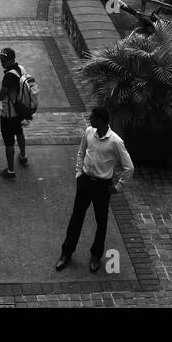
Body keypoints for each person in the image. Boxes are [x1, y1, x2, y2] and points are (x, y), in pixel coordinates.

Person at [55, 106, 134, 273]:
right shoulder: (89, 132)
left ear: (101, 120)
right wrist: (78, 172)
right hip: (85, 181)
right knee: (76, 218)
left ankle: (96, 255)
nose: (90, 119)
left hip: (102, 186)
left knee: (101, 222)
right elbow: (81, 151)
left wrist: (118, 187)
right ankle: (66, 252)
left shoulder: (116, 141)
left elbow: (129, 168)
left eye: (93, 117)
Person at [0, 47, 29, 179]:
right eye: (2, 60)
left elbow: (1, 96)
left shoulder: (9, 76)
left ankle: (10, 170)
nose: (2, 63)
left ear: (11, 60)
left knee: (9, 143)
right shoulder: (21, 68)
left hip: (8, 114)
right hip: (19, 111)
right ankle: (23, 156)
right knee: (19, 133)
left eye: (5, 60)